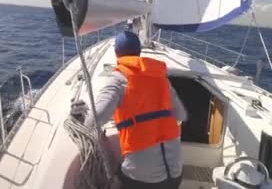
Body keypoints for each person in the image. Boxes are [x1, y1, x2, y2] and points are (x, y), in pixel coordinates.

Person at [73, 30, 188, 189]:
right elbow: (181, 114)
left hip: (141, 180)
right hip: (176, 174)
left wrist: (80, 119)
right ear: (139, 52)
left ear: (116, 54)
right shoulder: (162, 80)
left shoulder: (118, 79)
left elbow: (94, 120)